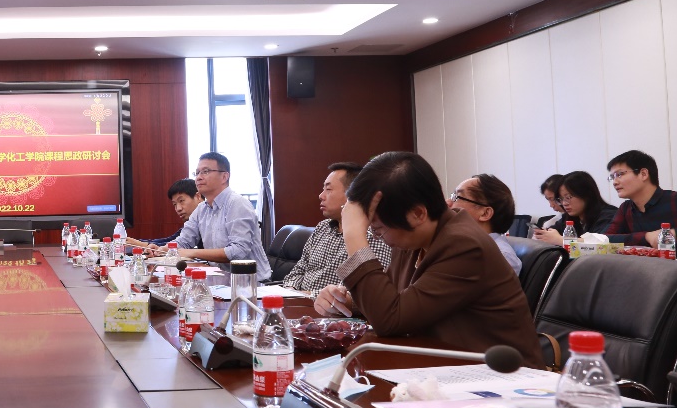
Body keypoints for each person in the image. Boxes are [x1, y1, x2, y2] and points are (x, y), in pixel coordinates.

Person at [313, 151, 543, 368]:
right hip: (439, 368)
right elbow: (393, 301)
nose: (376, 236)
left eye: (379, 229)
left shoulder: (465, 245)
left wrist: (354, 236)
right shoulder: (413, 237)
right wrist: (348, 304)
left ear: (417, 214)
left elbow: (390, 320)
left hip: (500, 377)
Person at [134, 152, 267, 274]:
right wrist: (162, 249)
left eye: (205, 171)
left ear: (224, 176)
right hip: (220, 278)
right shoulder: (201, 209)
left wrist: (192, 252)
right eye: (197, 173)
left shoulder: (237, 203)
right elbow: (184, 241)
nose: (198, 177)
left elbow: (238, 251)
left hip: (251, 282)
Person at [283, 162, 392, 297]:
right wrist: (290, 291)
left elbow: (365, 290)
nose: (321, 196)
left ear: (352, 194)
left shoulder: (374, 234)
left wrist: (308, 295)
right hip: (297, 301)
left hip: (333, 308)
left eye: (328, 190)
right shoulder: (322, 228)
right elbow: (298, 270)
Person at [447, 174, 522, 276]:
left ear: (485, 213)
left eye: (456, 197)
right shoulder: (464, 247)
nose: (448, 202)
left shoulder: (501, 256)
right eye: (452, 195)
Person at [604, 150, 677, 247]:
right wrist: (646, 237)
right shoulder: (626, 208)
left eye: (619, 174)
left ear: (643, 174)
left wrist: (675, 234)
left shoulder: (676, 200)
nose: (614, 182)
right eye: (612, 177)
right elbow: (603, 239)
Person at [533, 171, 617, 244]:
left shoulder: (609, 215)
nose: (564, 203)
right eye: (560, 199)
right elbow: (551, 232)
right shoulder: (569, 217)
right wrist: (542, 235)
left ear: (586, 194)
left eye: (568, 197)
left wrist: (560, 240)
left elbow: (601, 243)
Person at [143, 178, 202, 245]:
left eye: (181, 201)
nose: (178, 209)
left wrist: (142, 244)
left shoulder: (208, 216)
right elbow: (175, 241)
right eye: (174, 204)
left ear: (198, 197)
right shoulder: (192, 222)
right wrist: (139, 243)